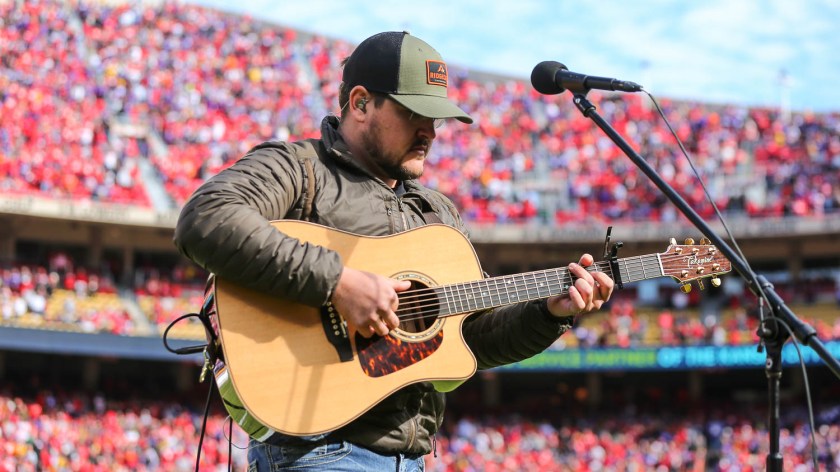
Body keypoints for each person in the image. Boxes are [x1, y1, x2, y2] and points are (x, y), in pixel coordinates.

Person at [174, 31, 614, 471]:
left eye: (436, 118)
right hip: (318, 451)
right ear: (361, 103)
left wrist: (548, 314)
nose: (430, 132)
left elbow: (472, 342)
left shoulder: (438, 213)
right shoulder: (300, 168)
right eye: (414, 113)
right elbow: (207, 218)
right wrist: (338, 282)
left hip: (411, 460)